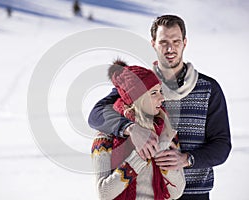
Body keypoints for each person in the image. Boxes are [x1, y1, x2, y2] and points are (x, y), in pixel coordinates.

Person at [88, 15, 232, 199]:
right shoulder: (139, 84)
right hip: (150, 193)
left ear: (184, 43)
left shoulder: (208, 89)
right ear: (153, 44)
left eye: (176, 41)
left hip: (194, 193)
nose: (170, 48)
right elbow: (96, 114)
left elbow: (221, 146)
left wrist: (186, 159)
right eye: (163, 42)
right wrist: (131, 129)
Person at [91, 60, 186, 199]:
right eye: (154, 93)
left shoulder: (166, 132)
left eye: (160, 91)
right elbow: (104, 194)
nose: (162, 98)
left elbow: (176, 192)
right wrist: (139, 157)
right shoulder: (105, 137)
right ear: (137, 98)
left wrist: (161, 153)